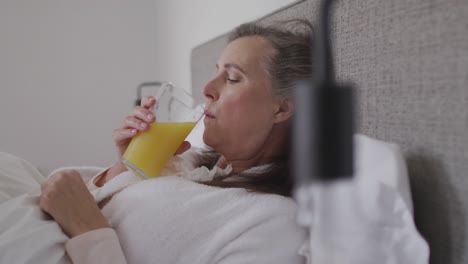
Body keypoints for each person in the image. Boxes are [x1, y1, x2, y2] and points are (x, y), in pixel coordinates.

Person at [3, 20, 313, 263]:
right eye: (215, 72)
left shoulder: (273, 221)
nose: (206, 87)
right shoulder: (185, 164)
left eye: (232, 78)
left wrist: (89, 232)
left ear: (282, 107)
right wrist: (123, 168)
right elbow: (99, 203)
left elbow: (90, 219)